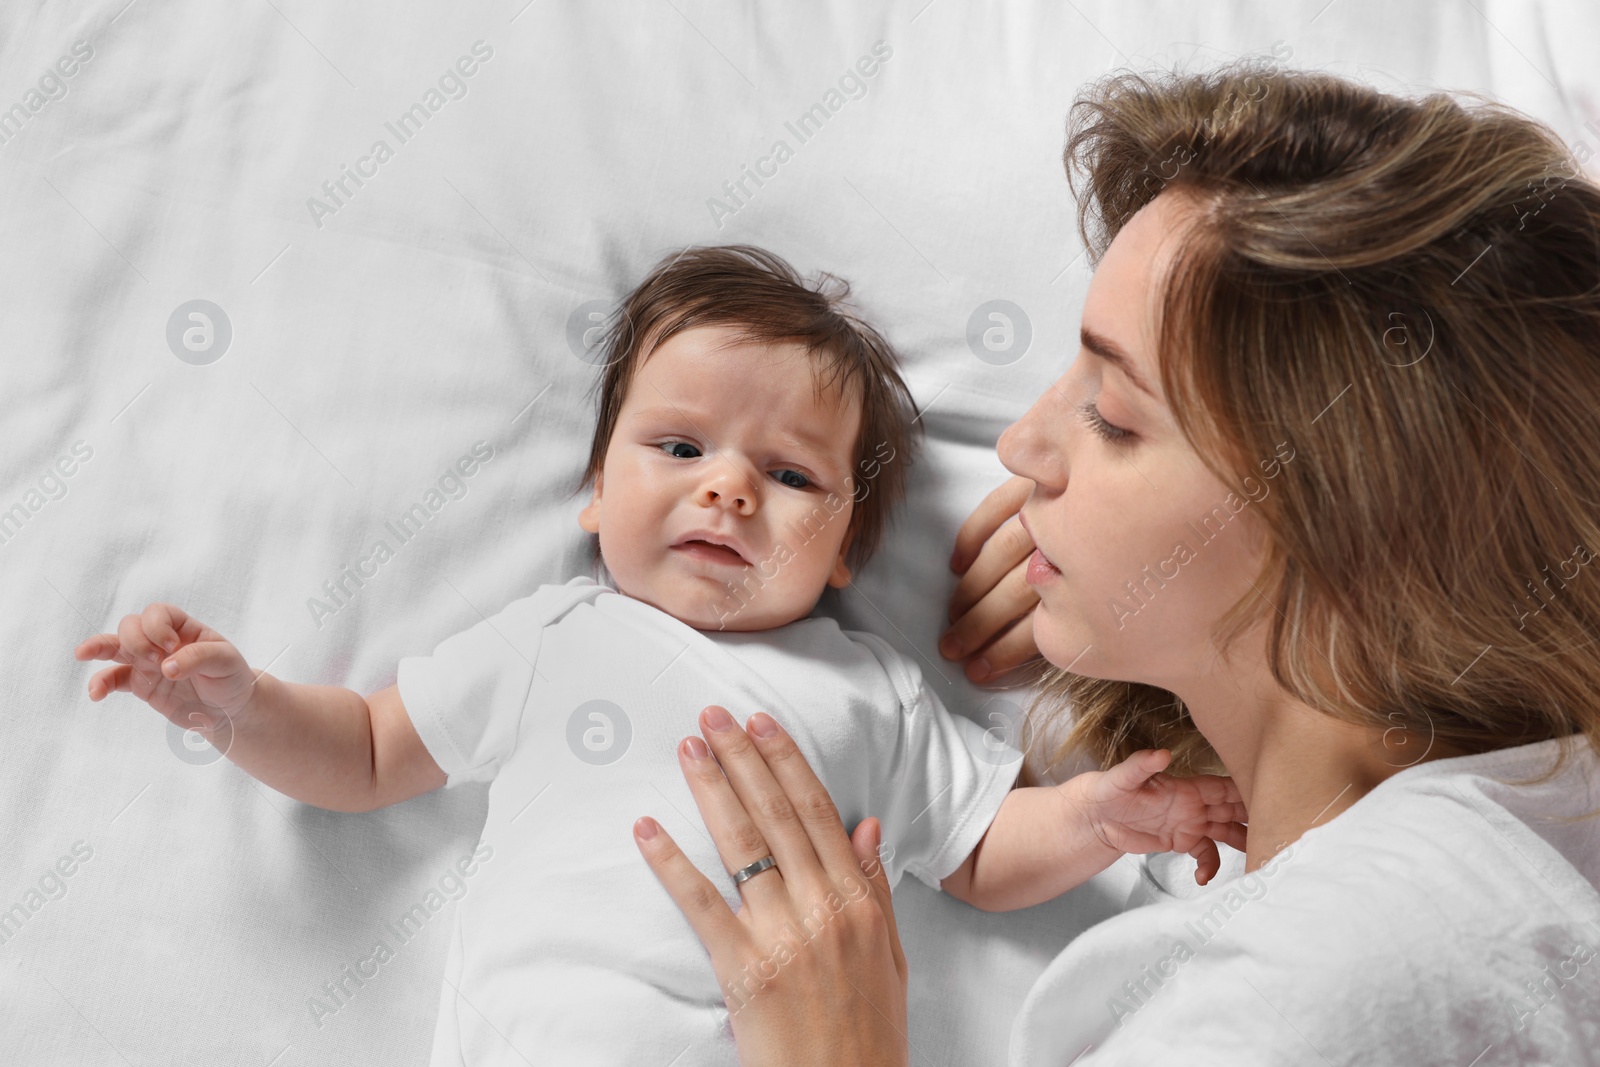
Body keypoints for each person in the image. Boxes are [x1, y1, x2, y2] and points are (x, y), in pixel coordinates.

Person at [632, 62, 1600, 1065]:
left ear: (1352, 538)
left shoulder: (1308, 996)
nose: (1021, 445)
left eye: (1114, 415)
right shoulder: (1531, 819)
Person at [74, 245, 1245, 1065]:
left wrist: (1098, 817)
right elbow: (369, 751)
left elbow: (981, 847)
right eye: (678, 445)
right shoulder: (551, 638)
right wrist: (240, 703)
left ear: (846, 547)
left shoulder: (870, 690)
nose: (729, 485)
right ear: (594, 492)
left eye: (790, 476)